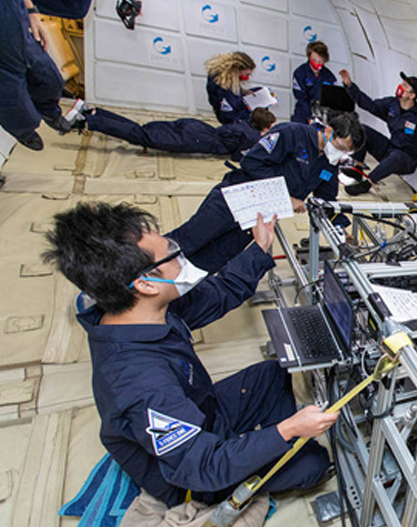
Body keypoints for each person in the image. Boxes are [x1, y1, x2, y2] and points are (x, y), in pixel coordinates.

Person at [42, 202, 336, 508]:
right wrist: (287, 431)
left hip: (203, 413)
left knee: (273, 373)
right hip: (191, 476)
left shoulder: (145, 311)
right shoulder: (141, 383)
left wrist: (261, 246)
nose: (181, 254)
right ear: (145, 284)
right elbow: (201, 468)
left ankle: (273, 448)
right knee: (313, 465)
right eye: (171, 251)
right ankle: (281, 451)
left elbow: (220, 292)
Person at [168, 111, 365, 272]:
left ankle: (175, 292)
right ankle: (142, 269)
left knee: (217, 257)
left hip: (259, 217)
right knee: (189, 239)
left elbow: (326, 199)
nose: (340, 154)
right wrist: (286, 198)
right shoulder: (292, 134)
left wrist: (341, 229)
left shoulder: (329, 163)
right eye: (339, 147)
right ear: (329, 131)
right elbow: (252, 162)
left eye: (346, 152)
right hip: (235, 199)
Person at [338, 69, 417, 194]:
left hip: (406, 159)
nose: (400, 87)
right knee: (362, 129)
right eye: (402, 83)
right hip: (390, 149)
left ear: (412, 95)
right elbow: (369, 105)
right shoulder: (392, 105)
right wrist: (349, 85)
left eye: (405, 86)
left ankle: (367, 184)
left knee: (397, 156)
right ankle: (357, 168)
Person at [68, 102, 276, 161]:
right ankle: (88, 120)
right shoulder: (250, 137)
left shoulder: (243, 123)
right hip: (192, 139)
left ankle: (94, 111)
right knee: (142, 136)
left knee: (142, 129)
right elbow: (240, 158)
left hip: (194, 126)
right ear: (263, 128)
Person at [0, 0, 76, 151]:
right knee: (13, 98)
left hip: (13, 18)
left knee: (49, 79)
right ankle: (23, 131)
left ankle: (49, 111)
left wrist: (32, 11)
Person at [291, 41, 336, 125]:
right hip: (302, 115)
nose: (317, 64)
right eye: (314, 60)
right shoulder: (300, 73)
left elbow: (332, 100)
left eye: (320, 62)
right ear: (309, 57)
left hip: (322, 115)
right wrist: (309, 117)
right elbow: (301, 97)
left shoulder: (329, 77)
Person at [205, 51, 256, 126]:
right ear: (237, 70)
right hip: (234, 120)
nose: (247, 78)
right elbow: (229, 116)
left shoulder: (227, 78)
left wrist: (243, 92)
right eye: (247, 74)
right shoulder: (225, 89)